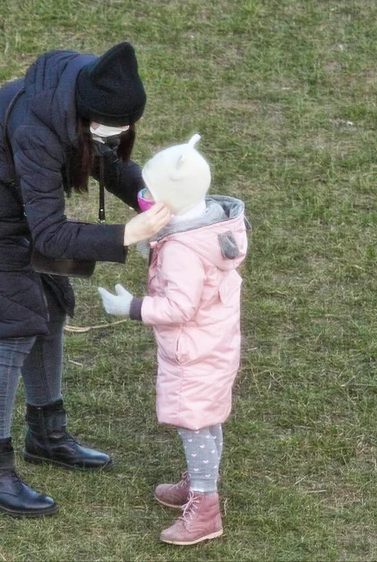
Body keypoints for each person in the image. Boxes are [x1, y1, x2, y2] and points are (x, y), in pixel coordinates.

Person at [0, 42, 171, 517]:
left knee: (51, 306)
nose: (114, 136)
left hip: (8, 202)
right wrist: (126, 234)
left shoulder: (82, 95)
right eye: (110, 128)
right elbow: (51, 234)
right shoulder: (36, 125)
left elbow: (107, 160)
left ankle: (47, 435)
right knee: (13, 326)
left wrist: (150, 199)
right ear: (87, 112)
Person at [98, 134, 249, 545]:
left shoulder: (184, 248)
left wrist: (131, 307)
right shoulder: (212, 226)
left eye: (152, 190)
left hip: (192, 354)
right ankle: (199, 481)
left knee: (193, 422)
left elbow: (179, 307)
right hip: (214, 345)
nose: (144, 195)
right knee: (207, 417)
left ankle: (205, 506)